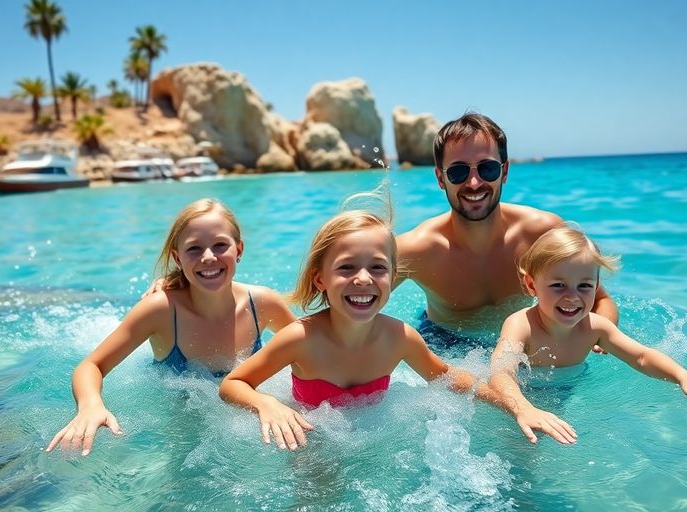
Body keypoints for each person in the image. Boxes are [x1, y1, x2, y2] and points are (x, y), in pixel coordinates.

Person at [218, 207, 534, 451]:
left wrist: (517, 407)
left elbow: (450, 378)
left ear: (393, 276)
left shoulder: (399, 338)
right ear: (320, 279)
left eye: (378, 267)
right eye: (346, 267)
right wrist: (267, 404)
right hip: (312, 440)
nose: (364, 279)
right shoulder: (301, 338)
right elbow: (233, 384)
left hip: (373, 438)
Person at [46, 198, 296, 456]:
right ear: (178, 257)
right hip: (176, 427)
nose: (209, 257)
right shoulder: (161, 310)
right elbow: (91, 365)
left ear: (239, 250)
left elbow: (312, 345)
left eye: (220, 245)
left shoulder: (263, 304)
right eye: (194, 249)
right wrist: (90, 405)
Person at [489, 226, 687, 444]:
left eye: (585, 286)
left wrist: (684, 376)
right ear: (532, 285)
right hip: (521, 393)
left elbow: (641, 356)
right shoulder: (521, 325)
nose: (572, 297)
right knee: (521, 447)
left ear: (596, 287)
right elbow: (500, 371)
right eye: (558, 285)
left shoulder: (595, 327)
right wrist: (523, 408)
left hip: (564, 389)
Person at [395, 112, 618, 348]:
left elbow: (600, 300)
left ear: (505, 172)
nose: (473, 183)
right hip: (444, 342)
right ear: (441, 178)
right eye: (458, 172)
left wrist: (596, 340)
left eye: (487, 169)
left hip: (522, 341)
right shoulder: (416, 249)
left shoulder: (542, 233)